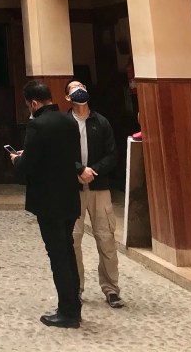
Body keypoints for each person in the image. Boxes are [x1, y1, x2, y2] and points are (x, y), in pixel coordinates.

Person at [11, 80, 82, 328]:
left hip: (48, 200)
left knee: (57, 255)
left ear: (33, 103)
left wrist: (16, 159)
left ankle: (68, 312)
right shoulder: (69, 121)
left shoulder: (37, 125)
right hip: (69, 196)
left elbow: (27, 165)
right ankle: (74, 306)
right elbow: (65, 157)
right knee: (68, 251)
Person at [64, 79, 125, 309]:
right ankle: (76, 288)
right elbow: (60, 153)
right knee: (73, 239)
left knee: (106, 237)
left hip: (99, 187)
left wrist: (93, 170)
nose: (79, 90)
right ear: (68, 97)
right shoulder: (64, 123)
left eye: (81, 87)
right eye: (73, 88)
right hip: (73, 188)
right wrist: (79, 169)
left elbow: (112, 154)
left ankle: (111, 289)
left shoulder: (101, 122)